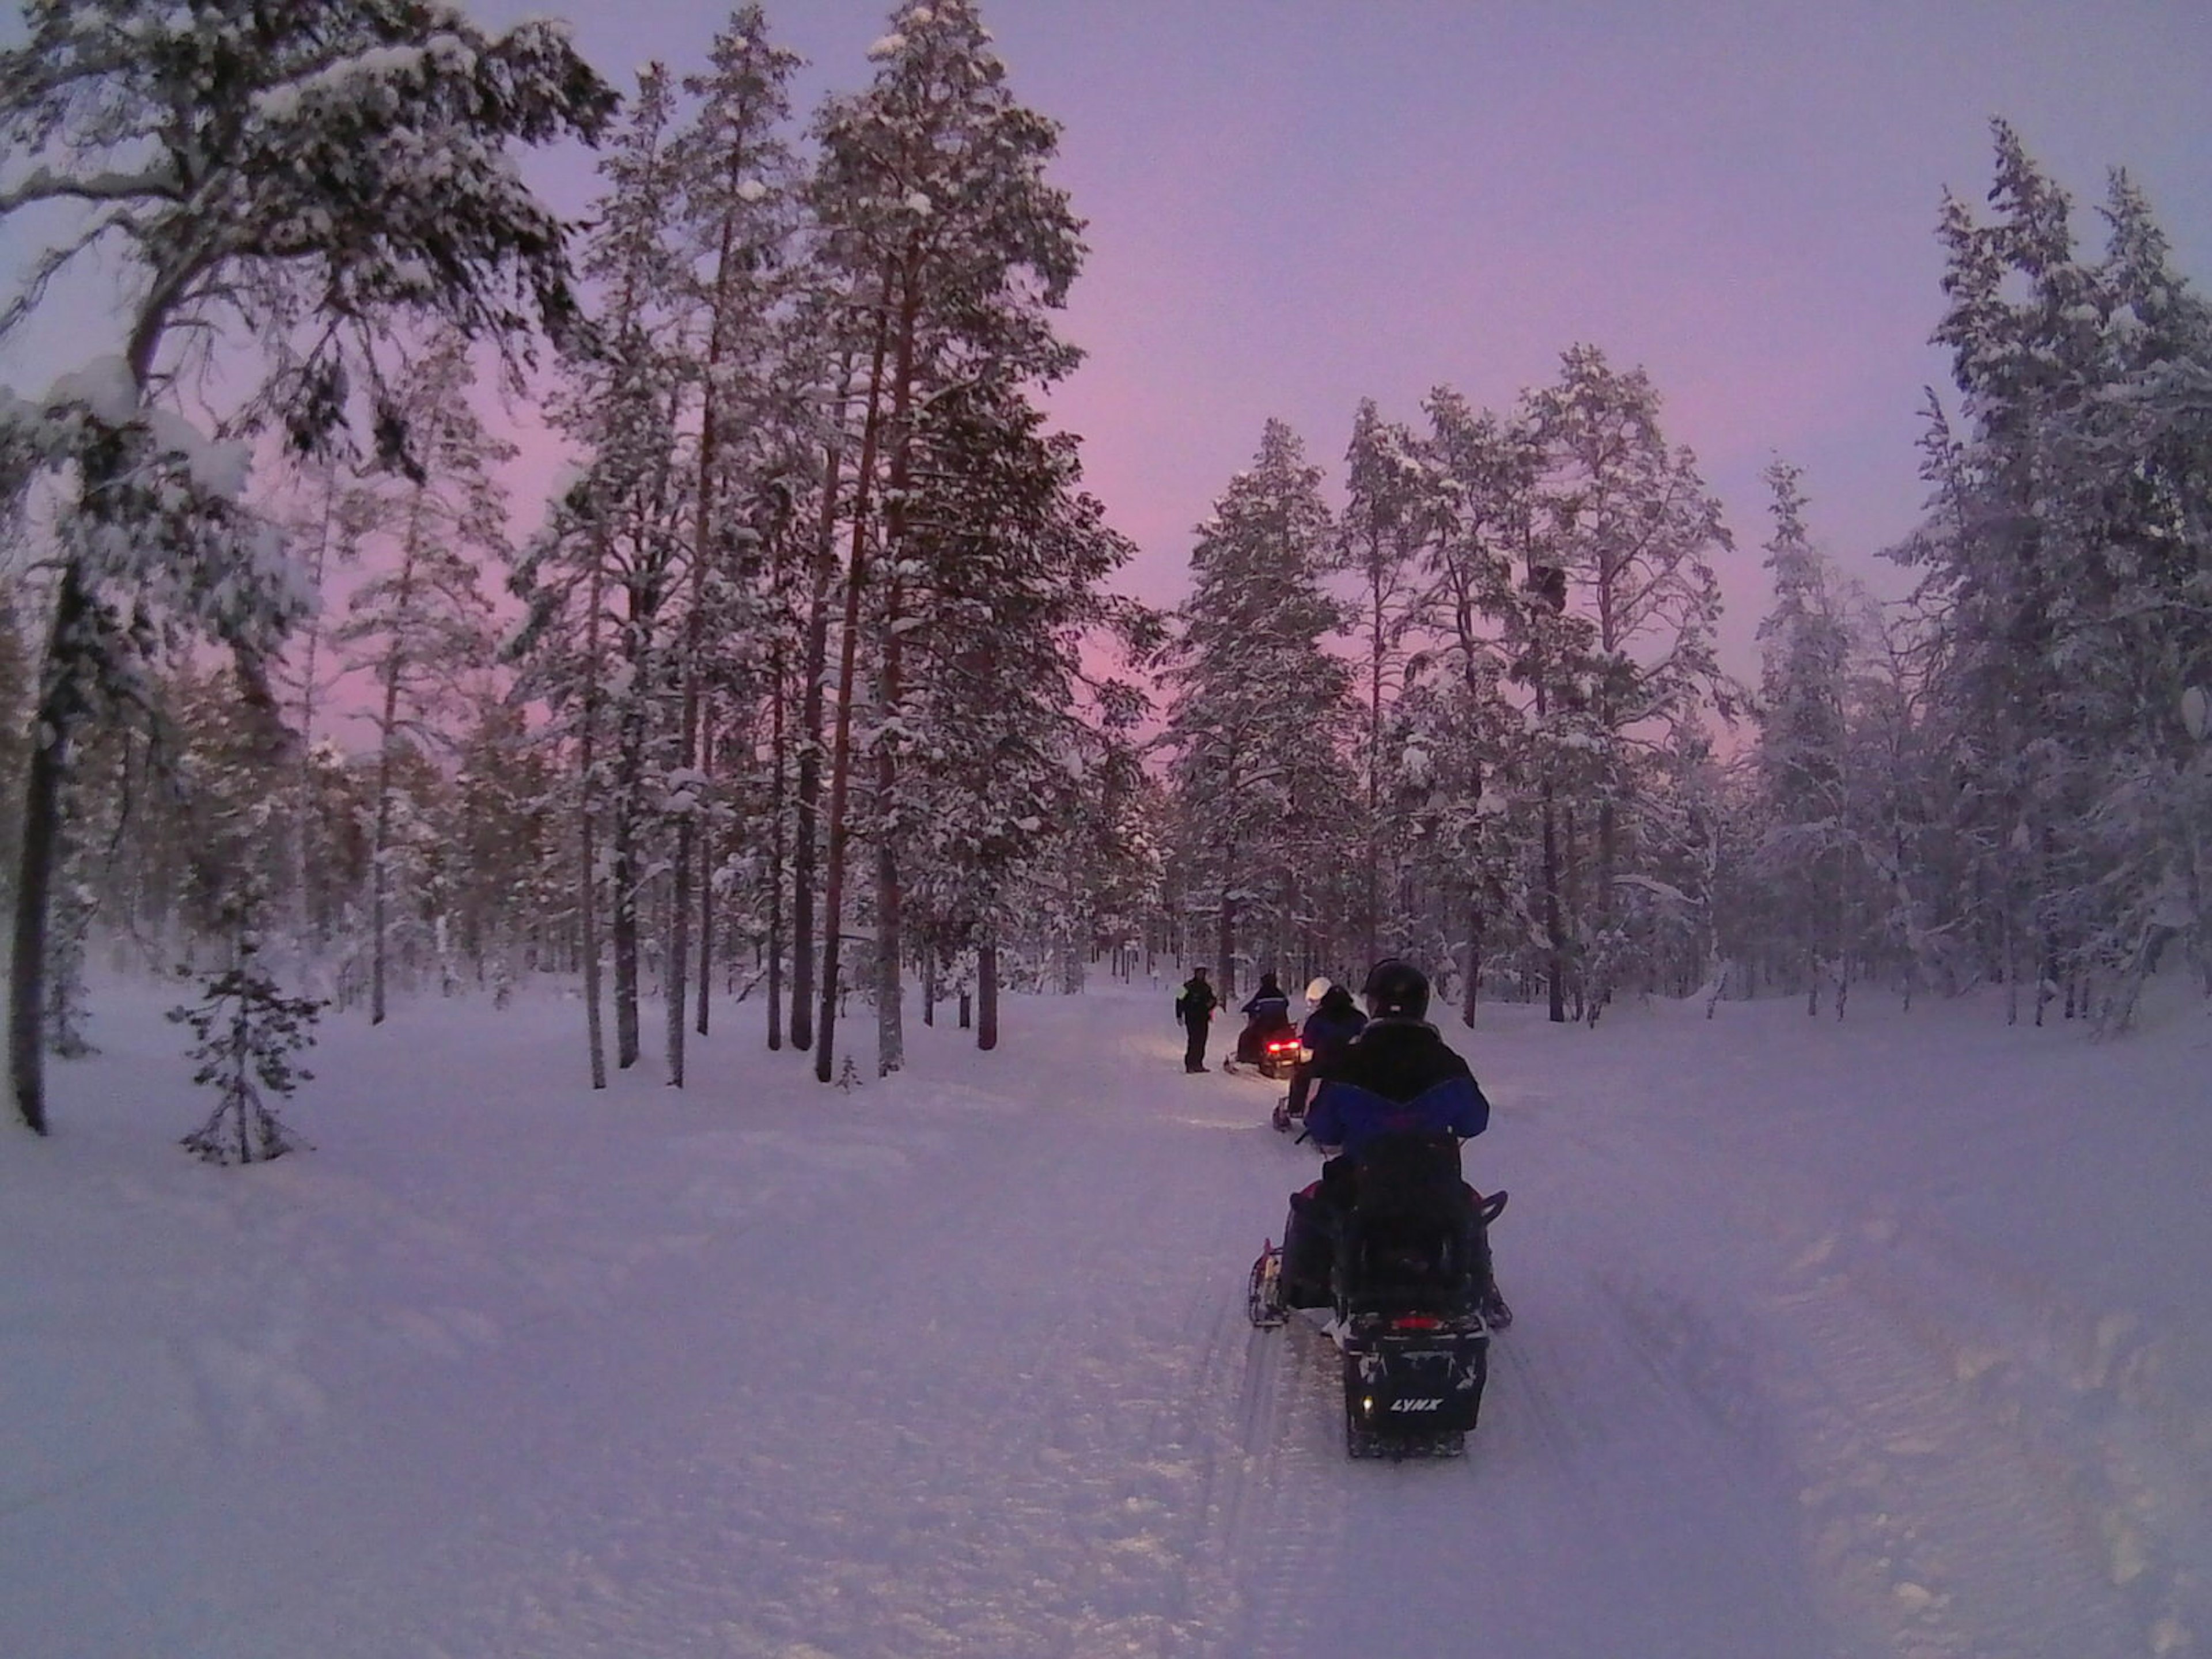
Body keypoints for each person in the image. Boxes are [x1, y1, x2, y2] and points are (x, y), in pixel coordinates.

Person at [1276, 958, 1511, 1326]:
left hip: (1361, 1185)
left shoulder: (1348, 1062)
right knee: (1469, 1209)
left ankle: (1297, 1289)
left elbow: (1322, 1127)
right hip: (1435, 1185)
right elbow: (1476, 1120)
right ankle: (1482, 1286)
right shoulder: (1448, 1062)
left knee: (1311, 1205)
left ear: (1374, 1004)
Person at [1284, 980, 1366, 1121]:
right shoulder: (1359, 1018)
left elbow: (1308, 1043)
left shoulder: (1318, 1018)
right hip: (1354, 1067)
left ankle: (1296, 1108)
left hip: (1323, 1066)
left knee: (1301, 1073)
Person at [1232, 971, 1294, 1066]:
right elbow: (1287, 1004)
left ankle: (1245, 1057)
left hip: (1265, 1025)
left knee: (1245, 1036)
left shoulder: (1262, 994)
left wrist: (1246, 1010)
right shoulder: (1280, 994)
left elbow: (1252, 1005)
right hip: (1282, 1025)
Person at [1174, 967, 1218, 1073]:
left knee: (1202, 1041)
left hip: (1203, 1018)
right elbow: (1178, 999)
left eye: (1203, 973)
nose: (1201, 975)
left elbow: (1212, 1000)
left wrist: (1212, 1004)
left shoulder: (1207, 988)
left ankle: (1199, 1064)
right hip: (1191, 1018)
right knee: (1193, 1040)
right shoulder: (1187, 986)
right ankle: (1190, 1064)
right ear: (1195, 973)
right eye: (1199, 973)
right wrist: (1179, 1015)